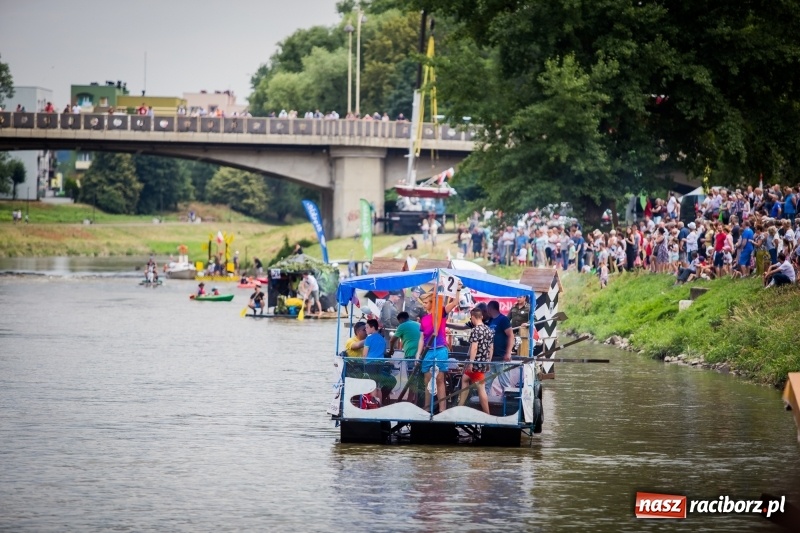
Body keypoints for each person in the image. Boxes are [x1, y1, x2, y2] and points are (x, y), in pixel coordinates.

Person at [415, 291, 458, 413]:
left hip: (440, 349)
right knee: (427, 381)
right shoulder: (423, 319)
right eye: (423, 303)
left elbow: (455, 302)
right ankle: (427, 408)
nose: (423, 305)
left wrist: (458, 290)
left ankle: (442, 410)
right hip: (428, 352)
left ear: (432, 303)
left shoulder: (441, 313)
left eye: (425, 302)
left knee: (439, 379)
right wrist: (418, 353)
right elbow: (422, 338)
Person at [459, 307, 493, 414]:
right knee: (465, 379)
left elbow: (474, 347)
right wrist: (488, 362)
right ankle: (460, 406)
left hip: (475, 365)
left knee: (481, 389)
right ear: (482, 317)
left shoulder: (475, 330)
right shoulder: (488, 330)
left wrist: (471, 363)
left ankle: (487, 413)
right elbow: (491, 347)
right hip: (483, 363)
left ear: (473, 317)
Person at [362, 318, 395, 404]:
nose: (366, 329)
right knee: (378, 386)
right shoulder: (382, 339)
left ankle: (373, 405)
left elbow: (364, 354)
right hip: (380, 363)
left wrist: (364, 363)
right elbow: (384, 352)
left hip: (370, 363)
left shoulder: (369, 339)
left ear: (373, 327)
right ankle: (379, 405)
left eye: (367, 327)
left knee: (372, 385)